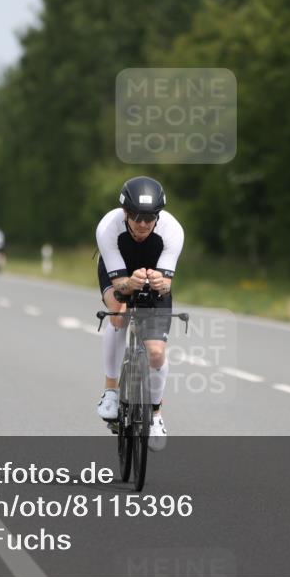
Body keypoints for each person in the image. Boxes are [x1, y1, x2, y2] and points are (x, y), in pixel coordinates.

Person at [95, 176, 183, 451]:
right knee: (118, 314)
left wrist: (159, 282)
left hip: (153, 274)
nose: (143, 224)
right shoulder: (108, 227)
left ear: (158, 216)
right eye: (136, 217)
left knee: (156, 353)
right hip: (118, 272)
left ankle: (155, 414)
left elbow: (166, 285)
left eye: (149, 217)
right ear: (125, 212)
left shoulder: (172, 230)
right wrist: (129, 284)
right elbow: (119, 285)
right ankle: (111, 391)